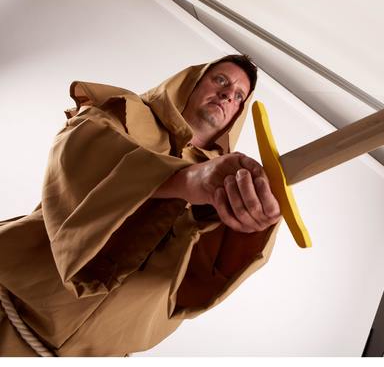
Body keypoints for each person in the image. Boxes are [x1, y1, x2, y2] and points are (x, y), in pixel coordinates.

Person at [0, 54, 281, 356]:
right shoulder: (121, 112)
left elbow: (197, 283)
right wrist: (182, 180)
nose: (228, 94)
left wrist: (249, 225)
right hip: (11, 305)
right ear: (190, 82)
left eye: (240, 96)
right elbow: (82, 152)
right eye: (221, 80)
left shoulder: (224, 187)